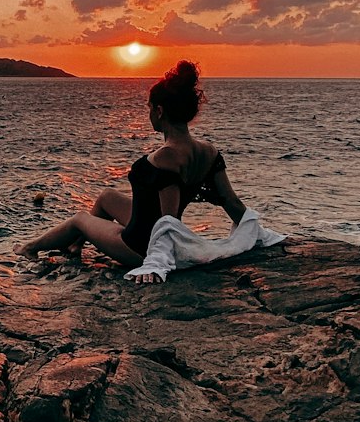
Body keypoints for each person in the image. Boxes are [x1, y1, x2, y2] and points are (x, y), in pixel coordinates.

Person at [16, 60, 246, 284]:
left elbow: (169, 220)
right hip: (146, 230)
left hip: (140, 247)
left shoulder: (167, 156)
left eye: (148, 108)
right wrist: (254, 232)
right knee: (107, 196)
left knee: (79, 219)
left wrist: (156, 262)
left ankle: (30, 248)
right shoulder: (209, 152)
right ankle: (75, 246)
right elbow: (231, 201)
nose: (148, 114)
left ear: (159, 110)